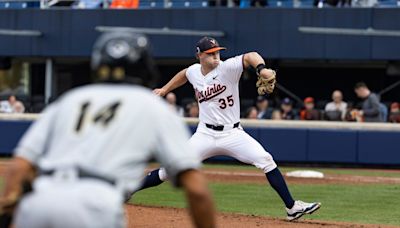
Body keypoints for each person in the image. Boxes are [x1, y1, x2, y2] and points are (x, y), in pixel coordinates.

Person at [0, 32, 216, 228]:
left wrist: (8, 211)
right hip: (97, 203)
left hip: (40, 200)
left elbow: (21, 165)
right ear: (145, 68)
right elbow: (196, 189)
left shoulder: (71, 100)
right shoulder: (151, 106)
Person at [133, 36, 321, 221]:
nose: (216, 57)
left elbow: (251, 55)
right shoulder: (194, 71)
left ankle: (292, 207)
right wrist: (165, 89)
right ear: (199, 56)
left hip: (232, 134)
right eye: (210, 54)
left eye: (217, 52)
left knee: (266, 160)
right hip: (205, 134)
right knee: (170, 169)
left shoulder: (228, 67)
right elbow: (184, 74)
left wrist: (261, 69)